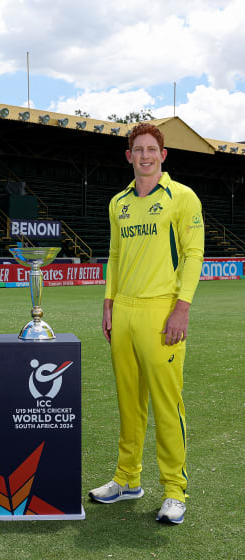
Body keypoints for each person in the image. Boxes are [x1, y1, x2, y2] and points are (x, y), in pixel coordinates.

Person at [89, 123, 204, 524]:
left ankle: (174, 490)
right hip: (124, 310)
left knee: (166, 405)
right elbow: (115, 256)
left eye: (152, 149)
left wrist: (182, 308)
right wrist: (108, 301)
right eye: (138, 149)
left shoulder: (182, 197)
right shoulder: (118, 202)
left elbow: (193, 255)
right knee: (128, 402)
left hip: (161, 310)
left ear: (163, 154)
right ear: (128, 156)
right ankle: (127, 479)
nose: (145, 156)